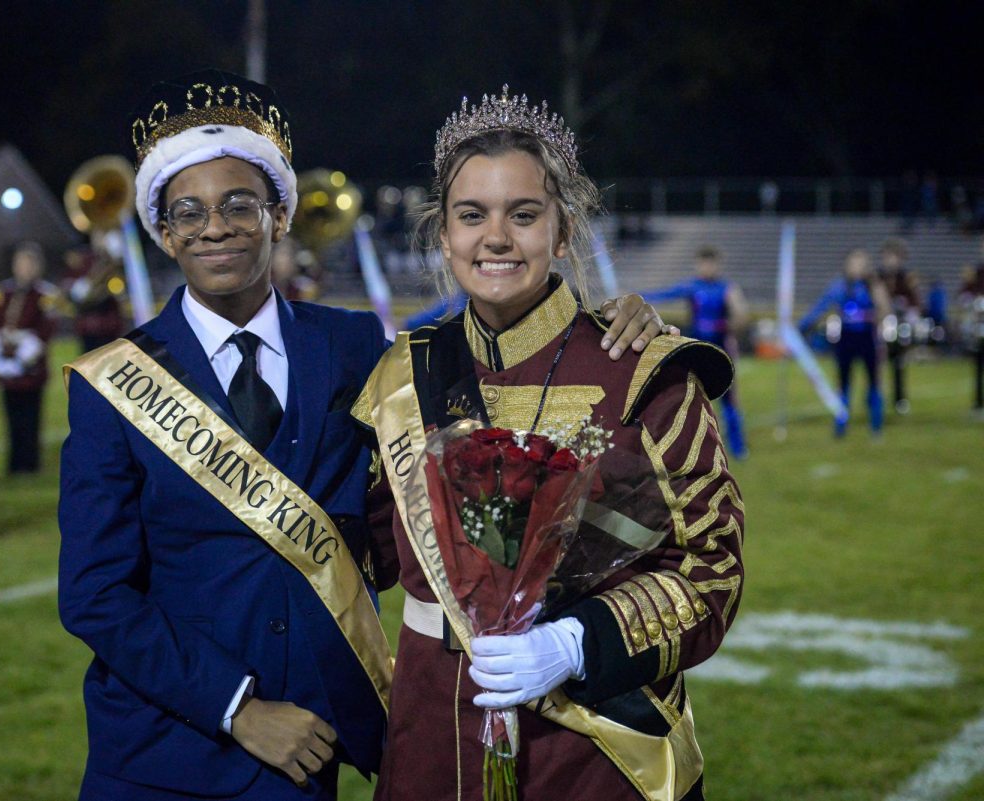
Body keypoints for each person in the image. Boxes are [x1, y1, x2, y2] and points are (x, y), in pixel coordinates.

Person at [57, 70, 674, 801]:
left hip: (310, 751)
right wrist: (238, 708)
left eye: (238, 205)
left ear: (279, 215)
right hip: (164, 749)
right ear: (163, 231)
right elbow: (94, 593)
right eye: (187, 211)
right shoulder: (110, 383)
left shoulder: (355, 347)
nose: (213, 226)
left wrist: (617, 322)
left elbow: (415, 488)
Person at [352, 86, 743, 801]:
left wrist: (575, 643)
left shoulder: (646, 371)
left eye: (523, 215)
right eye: (472, 215)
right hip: (431, 739)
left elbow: (713, 569)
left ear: (563, 232)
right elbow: (364, 550)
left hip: (594, 749)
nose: (495, 237)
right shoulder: (400, 376)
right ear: (444, 233)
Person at [643, 245, 749, 458]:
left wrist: (733, 323)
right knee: (692, 396)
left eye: (710, 263)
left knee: (729, 398)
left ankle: (738, 447)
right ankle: (697, 444)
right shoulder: (692, 287)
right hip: (698, 351)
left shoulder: (727, 288)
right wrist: (639, 296)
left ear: (717, 265)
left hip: (720, 350)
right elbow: (665, 294)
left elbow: (741, 313)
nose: (707, 268)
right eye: (703, 263)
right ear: (698, 264)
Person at [799, 249, 891, 437]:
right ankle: (841, 425)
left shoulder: (873, 286)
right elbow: (821, 306)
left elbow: (884, 309)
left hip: (867, 337)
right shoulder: (840, 286)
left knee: (874, 383)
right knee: (843, 384)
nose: (855, 267)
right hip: (847, 338)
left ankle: (876, 426)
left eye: (860, 263)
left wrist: (869, 315)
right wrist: (801, 326)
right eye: (852, 263)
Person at [0, 242, 57, 474]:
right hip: (8, 367)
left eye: (28, 264)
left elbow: (46, 330)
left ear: (37, 267)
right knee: (11, 416)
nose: (23, 268)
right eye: (20, 263)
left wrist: (23, 350)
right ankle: (14, 463)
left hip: (31, 368)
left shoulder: (45, 294)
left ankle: (31, 463)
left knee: (31, 417)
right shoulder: (5, 292)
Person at [877, 238, 922, 414]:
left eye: (893, 257)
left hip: (899, 326)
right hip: (880, 325)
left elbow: (915, 302)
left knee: (898, 363)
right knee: (876, 365)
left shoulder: (906, 278)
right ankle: (875, 399)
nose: (889, 260)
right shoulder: (877, 277)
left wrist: (908, 313)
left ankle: (899, 399)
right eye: (887, 257)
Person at [63, 246, 126, 354]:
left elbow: (118, 291)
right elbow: (72, 293)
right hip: (88, 330)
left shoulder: (111, 259)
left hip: (108, 328)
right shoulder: (83, 263)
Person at [959, 255, 984, 419]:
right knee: (979, 364)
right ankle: (978, 403)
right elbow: (964, 295)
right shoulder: (978, 271)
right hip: (980, 325)